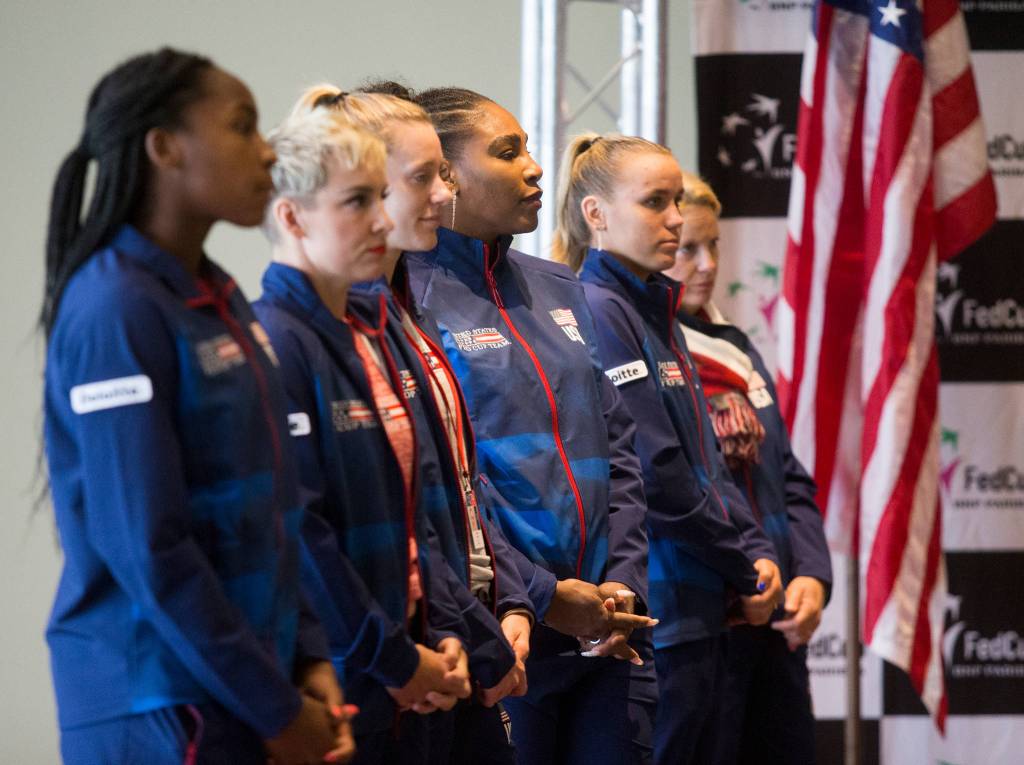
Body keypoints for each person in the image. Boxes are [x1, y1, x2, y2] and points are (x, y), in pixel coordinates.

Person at [41, 48, 352, 764]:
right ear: (164, 148)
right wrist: (277, 708)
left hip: (240, 688)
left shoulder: (216, 294)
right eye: (242, 127)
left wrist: (308, 657)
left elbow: (274, 508)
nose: (266, 149)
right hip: (154, 697)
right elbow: (147, 544)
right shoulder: (114, 306)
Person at [400, 86, 659, 765]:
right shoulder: (412, 300)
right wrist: (545, 596)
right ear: (445, 176)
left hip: (609, 628)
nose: (535, 167)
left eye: (528, 148)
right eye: (508, 152)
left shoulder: (556, 284)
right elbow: (446, 487)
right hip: (504, 633)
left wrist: (621, 584)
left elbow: (618, 446)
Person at [293, 84, 534, 764]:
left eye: (443, 173)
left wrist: (509, 602)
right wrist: (454, 643)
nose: (442, 193)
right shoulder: (309, 335)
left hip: (449, 647)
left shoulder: (400, 321)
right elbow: (328, 533)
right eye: (423, 176)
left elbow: (456, 489)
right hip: (391, 670)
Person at [253, 107, 475, 764]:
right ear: (292, 218)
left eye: (381, 198)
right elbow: (304, 534)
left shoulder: (365, 332)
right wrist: (397, 659)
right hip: (349, 686)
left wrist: (439, 632)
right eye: (358, 201)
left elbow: (417, 515)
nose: (383, 220)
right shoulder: (277, 342)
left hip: (410, 667)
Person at [553, 133, 784, 765]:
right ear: (596, 214)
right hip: (664, 607)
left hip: (702, 606)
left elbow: (706, 463)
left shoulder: (656, 306)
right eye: (656, 202)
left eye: (677, 200)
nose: (677, 220)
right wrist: (744, 565)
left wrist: (756, 554)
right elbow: (659, 475)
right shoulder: (601, 307)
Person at [665, 173, 832, 765]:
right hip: (711, 618)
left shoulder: (733, 345)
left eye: (714, 246)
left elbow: (787, 473)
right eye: (688, 248)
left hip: (778, 615)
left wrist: (811, 571)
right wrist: (748, 573)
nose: (706, 264)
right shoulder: (643, 347)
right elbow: (675, 489)